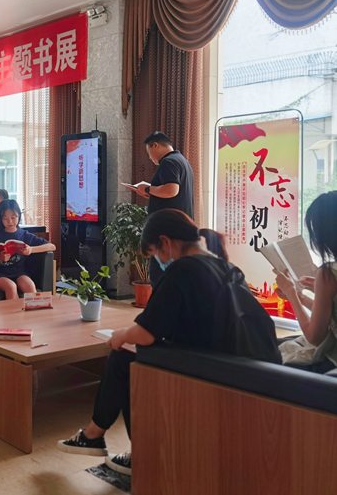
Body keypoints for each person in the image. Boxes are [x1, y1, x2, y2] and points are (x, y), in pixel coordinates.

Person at [57, 209, 280, 476]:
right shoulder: (227, 267)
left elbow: (146, 333)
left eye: (156, 254)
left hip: (216, 372)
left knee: (126, 354)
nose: (160, 261)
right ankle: (97, 436)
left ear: (165, 242)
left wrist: (121, 335)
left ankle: (122, 446)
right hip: (246, 368)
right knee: (131, 352)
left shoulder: (183, 269)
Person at [274, 191, 337, 373]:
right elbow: (329, 314)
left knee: (268, 353)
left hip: (332, 362)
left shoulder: (328, 274)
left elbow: (314, 336)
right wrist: (302, 298)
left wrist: (292, 294)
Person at [134, 131, 194, 287]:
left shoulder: (168, 162)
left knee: (161, 277)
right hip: (180, 231)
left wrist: (147, 188)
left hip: (168, 233)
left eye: (149, 152)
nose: (150, 157)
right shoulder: (182, 161)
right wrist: (152, 192)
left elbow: (171, 190)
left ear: (155, 145)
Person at [0, 199, 55, 300]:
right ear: (0, 219)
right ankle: (15, 311)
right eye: (5, 218)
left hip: (19, 272)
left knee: (30, 286)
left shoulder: (24, 235)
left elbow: (52, 246)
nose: (10, 221)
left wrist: (31, 249)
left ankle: (34, 310)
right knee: (11, 286)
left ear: (19, 216)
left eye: (13, 217)